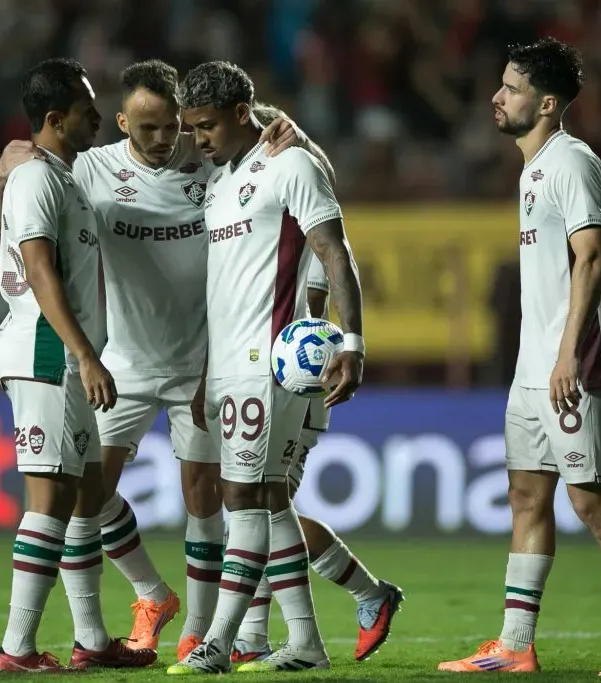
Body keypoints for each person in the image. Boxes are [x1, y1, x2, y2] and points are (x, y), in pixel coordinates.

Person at [0, 59, 309, 659]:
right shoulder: (82, 168)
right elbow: (20, 225)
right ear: (117, 124)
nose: (164, 140)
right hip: (116, 361)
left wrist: (288, 128)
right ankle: (138, 598)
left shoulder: (213, 154)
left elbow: (301, 173)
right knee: (86, 494)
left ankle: (196, 633)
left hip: (198, 357)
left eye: (172, 127)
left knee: (204, 494)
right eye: (148, 129)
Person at [438, 38, 601, 677]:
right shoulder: (534, 166)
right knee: (525, 494)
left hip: (578, 360)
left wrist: (568, 354)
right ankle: (516, 646)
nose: (496, 97)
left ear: (546, 103)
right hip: (535, 362)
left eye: (510, 88)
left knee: (592, 500)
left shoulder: (572, 162)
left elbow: (591, 256)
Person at [167, 60, 370, 674]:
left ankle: (219, 644)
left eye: (205, 126)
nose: (197, 138)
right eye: (190, 127)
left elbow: (335, 251)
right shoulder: (221, 183)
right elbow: (223, 288)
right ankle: (305, 644)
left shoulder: (289, 163)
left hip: (269, 361)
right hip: (227, 365)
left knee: (245, 500)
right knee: (266, 502)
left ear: (240, 114)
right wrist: (206, 372)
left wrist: (352, 340)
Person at [0, 57, 156, 674]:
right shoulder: (38, 178)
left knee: (87, 496)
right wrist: (85, 354)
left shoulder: (57, 177)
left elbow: (7, 239)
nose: (98, 116)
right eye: (89, 108)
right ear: (56, 119)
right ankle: (18, 649)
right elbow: (35, 268)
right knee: (51, 501)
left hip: (65, 354)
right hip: (48, 350)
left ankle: (91, 639)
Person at [231, 254, 402, 666]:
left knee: (266, 508)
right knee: (257, 509)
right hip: (267, 386)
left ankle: (369, 592)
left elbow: (306, 313)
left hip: (294, 391)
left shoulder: (305, 239)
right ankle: (253, 636)